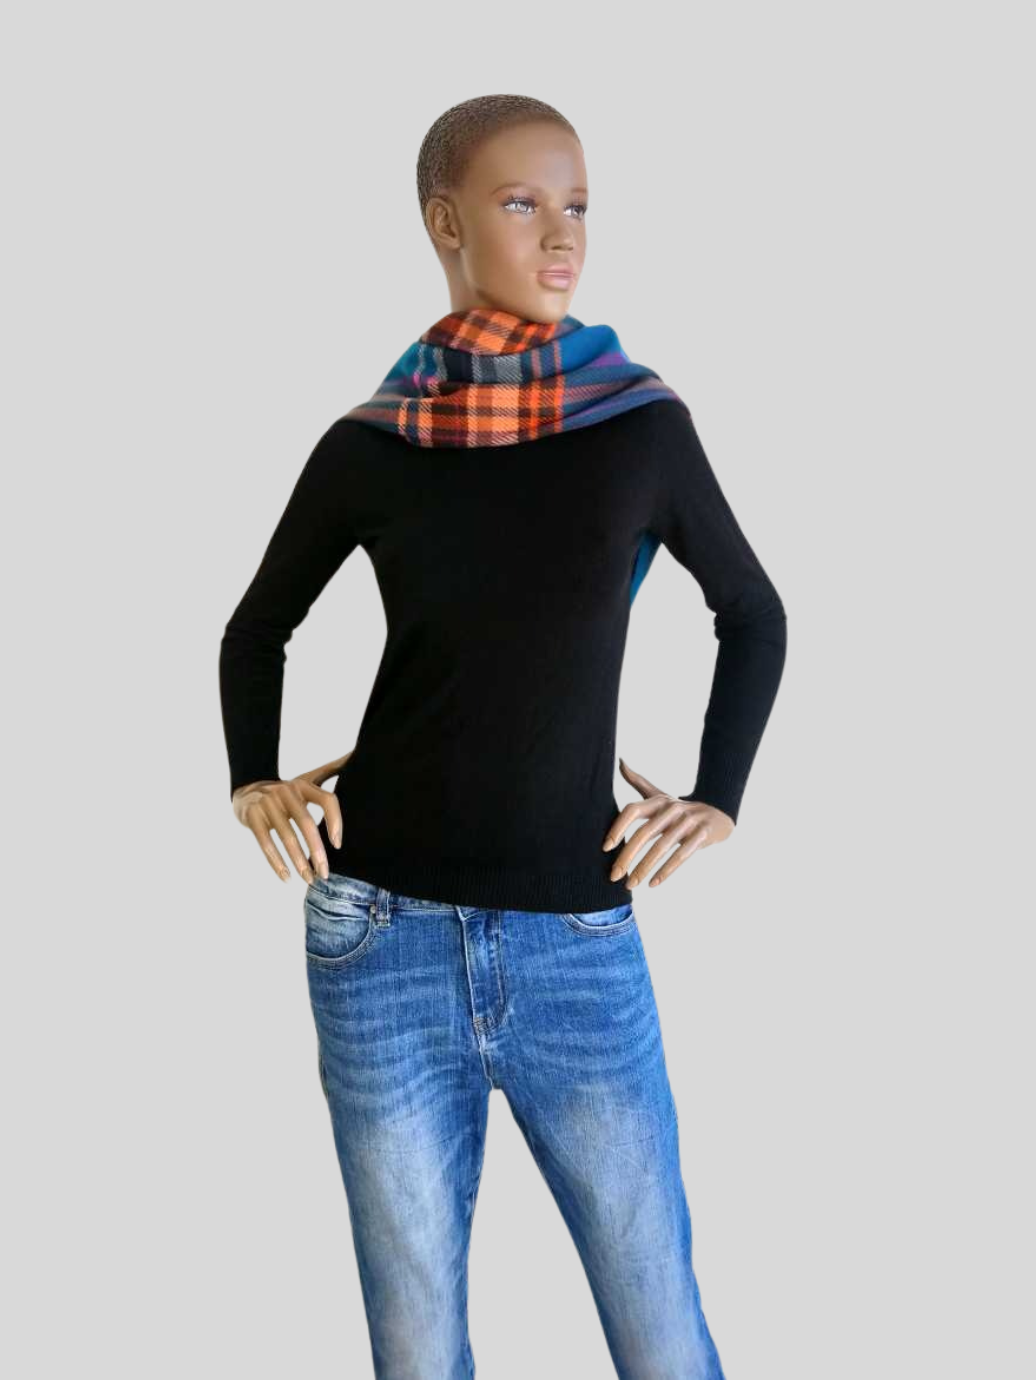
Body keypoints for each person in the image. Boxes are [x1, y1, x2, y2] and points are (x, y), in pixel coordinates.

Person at [219, 94, 787, 1380]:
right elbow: (256, 629)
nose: (561, 234)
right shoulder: (373, 442)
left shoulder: (636, 424)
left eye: (577, 204)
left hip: (575, 935)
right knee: (416, 1343)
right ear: (445, 221)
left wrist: (718, 795)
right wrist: (252, 779)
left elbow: (751, 613)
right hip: (374, 934)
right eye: (522, 203)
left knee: (660, 1327)